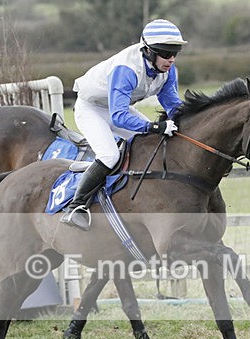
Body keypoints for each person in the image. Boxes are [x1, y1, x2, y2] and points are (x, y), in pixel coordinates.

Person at [61, 19, 187, 230]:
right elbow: (119, 117)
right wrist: (154, 127)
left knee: (155, 144)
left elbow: (173, 104)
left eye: (175, 54)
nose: (171, 59)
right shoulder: (126, 68)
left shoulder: (167, 70)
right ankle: (76, 206)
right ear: (148, 51)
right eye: (166, 54)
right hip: (91, 109)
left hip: (116, 108)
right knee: (110, 156)